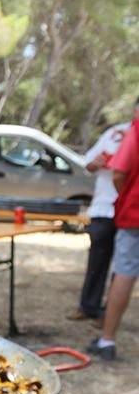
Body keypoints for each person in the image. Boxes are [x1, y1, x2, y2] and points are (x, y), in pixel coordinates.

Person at [69, 100, 139, 322]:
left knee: (123, 268)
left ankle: (109, 316)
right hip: (105, 208)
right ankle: (89, 306)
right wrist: (97, 163)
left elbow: (120, 175)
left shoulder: (133, 135)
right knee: (98, 262)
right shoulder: (115, 133)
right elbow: (89, 163)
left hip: (127, 210)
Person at [88, 115, 139, 361]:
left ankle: (107, 340)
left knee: (124, 273)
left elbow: (119, 173)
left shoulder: (135, 130)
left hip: (135, 215)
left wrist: (126, 198)